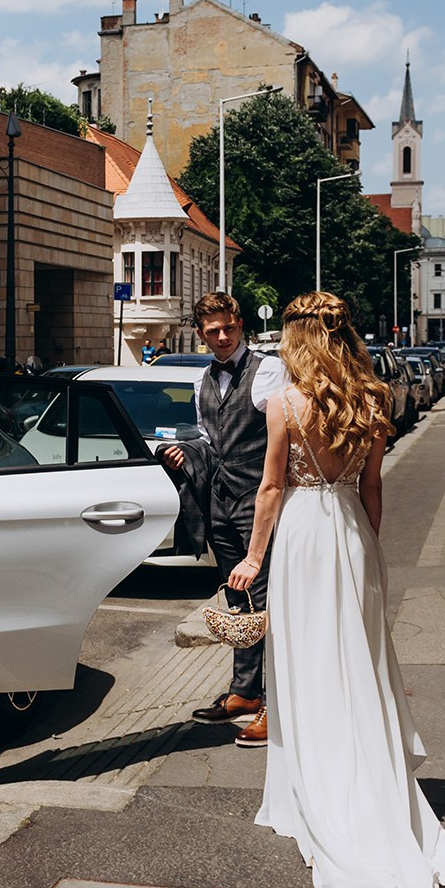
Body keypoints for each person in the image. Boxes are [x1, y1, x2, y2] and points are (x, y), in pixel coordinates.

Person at [230, 291, 445, 888]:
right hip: (350, 535)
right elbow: (372, 489)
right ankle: (367, 779)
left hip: (303, 538)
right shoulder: (371, 400)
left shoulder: (285, 404)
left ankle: (310, 792)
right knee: (359, 662)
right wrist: (371, 550)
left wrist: (253, 560)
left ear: (300, 339)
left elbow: (270, 488)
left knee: (306, 665)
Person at [163, 292, 284, 746]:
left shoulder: (268, 370)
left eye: (228, 328)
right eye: (211, 330)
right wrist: (186, 452)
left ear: (241, 326)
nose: (221, 337)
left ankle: (277, 706)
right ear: (200, 333)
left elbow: (283, 436)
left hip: (259, 502)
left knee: (269, 607)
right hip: (221, 502)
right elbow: (209, 442)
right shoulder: (201, 382)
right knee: (238, 605)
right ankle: (244, 692)